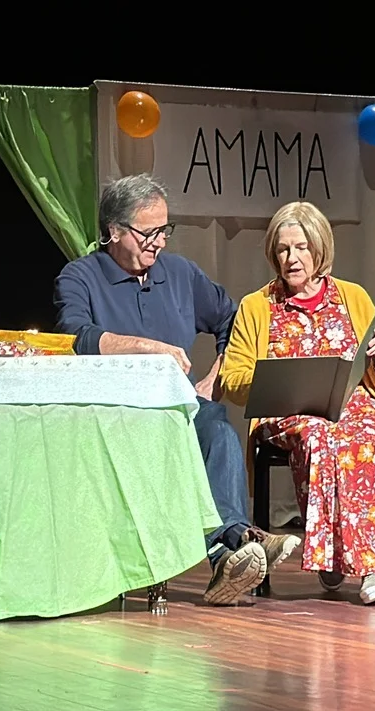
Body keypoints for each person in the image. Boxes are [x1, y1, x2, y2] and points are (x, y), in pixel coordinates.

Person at [54, 173, 301, 606]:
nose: (160, 241)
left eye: (164, 230)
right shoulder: (80, 276)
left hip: (177, 408)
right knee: (198, 429)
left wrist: (215, 378)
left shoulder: (181, 273)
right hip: (113, 415)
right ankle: (235, 546)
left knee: (217, 427)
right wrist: (148, 348)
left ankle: (232, 546)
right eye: (148, 232)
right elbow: (74, 337)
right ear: (114, 231)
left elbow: (234, 321)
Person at [219, 201, 375, 605]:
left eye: (301, 247)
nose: (291, 258)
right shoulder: (256, 306)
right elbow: (233, 379)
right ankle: (365, 566)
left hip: (355, 405)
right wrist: (273, 379)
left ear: (319, 249)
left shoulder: (353, 297)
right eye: (283, 249)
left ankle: (353, 557)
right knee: (323, 436)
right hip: (290, 411)